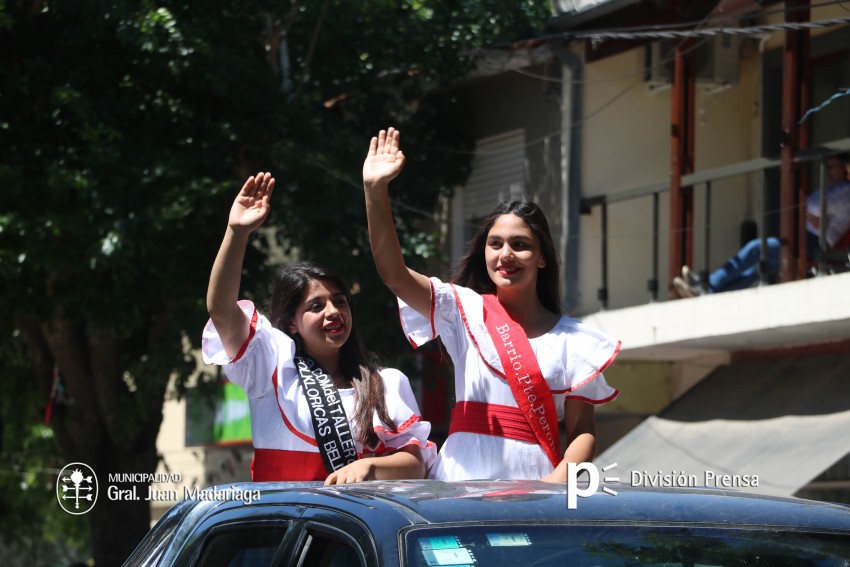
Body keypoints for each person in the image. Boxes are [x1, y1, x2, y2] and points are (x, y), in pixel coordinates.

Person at [362, 128, 621, 483]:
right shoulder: (462, 309)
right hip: (460, 478)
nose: (505, 255)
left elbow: (581, 432)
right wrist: (376, 191)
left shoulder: (574, 341)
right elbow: (394, 274)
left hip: (536, 483)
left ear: (543, 257)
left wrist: (553, 486)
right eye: (495, 243)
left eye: (520, 244)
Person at [203, 171, 436, 484]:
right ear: (292, 324)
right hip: (285, 526)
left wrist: (369, 468)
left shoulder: (384, 384)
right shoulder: (270, 368)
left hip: (352, 529)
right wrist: (237, 233)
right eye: (316, 306)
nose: (333, 312)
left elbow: (415, 464)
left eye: (340, 302)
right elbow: (221, 310)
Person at [674, 152, 850, 297]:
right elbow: (806, 207)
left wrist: (811, 213)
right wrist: (811, 214)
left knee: (757, 248)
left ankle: (707, 284)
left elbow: (812, 206)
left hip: (814, 244)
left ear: (846, 168)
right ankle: (708, 291)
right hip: (806, 238)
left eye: (831, 167)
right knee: (756, 268)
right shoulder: (834, 190)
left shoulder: (846, 190)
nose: (827, 172)